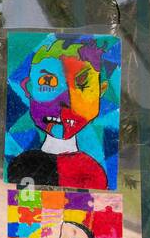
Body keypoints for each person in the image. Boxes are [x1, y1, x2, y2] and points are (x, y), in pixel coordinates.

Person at [8, 37, 111, 189]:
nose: (65, 103)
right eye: (47, 82)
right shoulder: (21, 166)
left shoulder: (93, 173)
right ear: (28, 88)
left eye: (82, 86)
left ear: (100, 91)